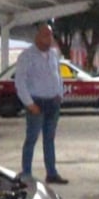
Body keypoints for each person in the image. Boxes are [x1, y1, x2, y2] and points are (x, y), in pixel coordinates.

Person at [14, 24, 68, 183]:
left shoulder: (53, 53)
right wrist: (29, 103)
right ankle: (26, 173)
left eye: (50, 35)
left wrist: (60, 94)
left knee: (49, 140)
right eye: (45, 35)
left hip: (53, 102)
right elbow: (20, 81)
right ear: (37, 37)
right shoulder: (27, 55)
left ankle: (51, 173)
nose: (49, 38)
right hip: (36, 103)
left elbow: (58, 74)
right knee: (31, 139)